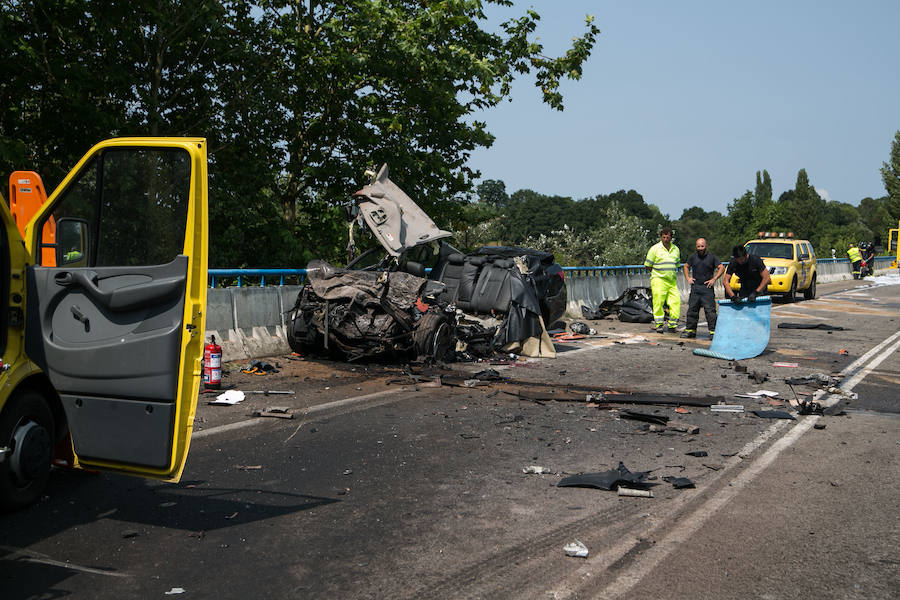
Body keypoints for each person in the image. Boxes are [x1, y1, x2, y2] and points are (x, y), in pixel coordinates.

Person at [681, 238, 725, 338]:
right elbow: (686, 266)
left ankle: (713, 332)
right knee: (692, 310)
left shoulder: (712, 257)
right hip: (695, 287)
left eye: (702, 246)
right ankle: (690, 330)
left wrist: (714, 279)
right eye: (698, 246)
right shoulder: (693, 257)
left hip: (707, 288)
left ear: (706, 246)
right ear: (696, 247)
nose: (700, 248)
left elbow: (722, 268)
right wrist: (688, 278)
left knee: (710, 311)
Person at [644, 227, 681, 333]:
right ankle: (659, 324)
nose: (665, 239)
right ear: (661, 237)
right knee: (658, 302)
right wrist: (657, 273)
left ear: (671, 238)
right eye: (663, 237)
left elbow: (677, 265)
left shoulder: (676, 249)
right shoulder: (654, 249)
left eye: (667, 237)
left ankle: (672, 324)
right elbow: (648, 265)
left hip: (671, 280)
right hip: (659, 279)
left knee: (675, 302)